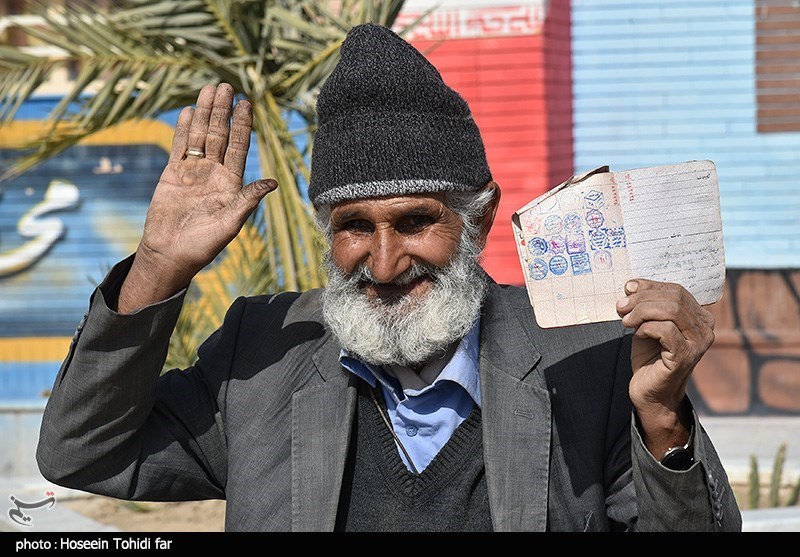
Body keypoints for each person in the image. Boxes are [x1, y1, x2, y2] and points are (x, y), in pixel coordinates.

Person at [36, 23, 741, 532]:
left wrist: (662, 419)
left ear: (480, 219)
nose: (382, 263)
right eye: (354, 227)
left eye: (413, 222)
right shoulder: (260, 357)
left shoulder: (587, 356)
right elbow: (82, 453)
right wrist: (158, 268)